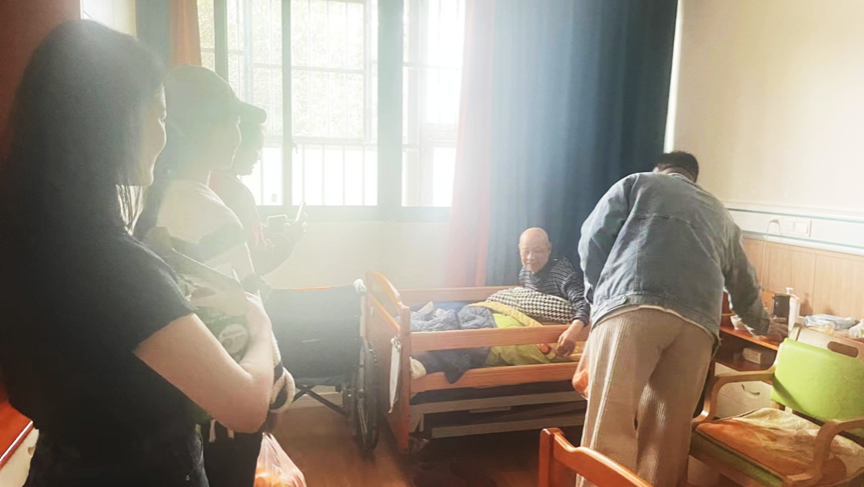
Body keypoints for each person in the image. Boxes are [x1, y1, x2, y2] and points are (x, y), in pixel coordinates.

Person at [0, 21, 276, 487]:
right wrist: (260, 321)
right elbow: (246, 407)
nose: (164, 135)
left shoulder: (26, 242)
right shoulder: (114, 265)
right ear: (117, 122)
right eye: (160, 115)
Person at [134, 64, 292, 487]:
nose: (240, 134)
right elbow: (245, 308)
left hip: (185, 400)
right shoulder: (208, 211)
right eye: (233, 121)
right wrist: (277, 389)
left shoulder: (158, 200)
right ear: (202, 131)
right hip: (225, 409)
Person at [576, 151, 770, 487]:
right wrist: (761, 326)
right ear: (693, 178)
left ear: (660, 170)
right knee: (667, 433)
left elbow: (592, 238)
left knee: (610, 422)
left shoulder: (638, 183)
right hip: (697, 325)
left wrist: (597, 292)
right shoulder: (720, 212)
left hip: (634, 305)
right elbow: (743, 280)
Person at [209, 120, 304, 276]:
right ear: (236, 146)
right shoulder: (236, 192)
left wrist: (265, 231)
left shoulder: (210, 180)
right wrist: (291, 236)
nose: (259, 157)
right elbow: (259, 259)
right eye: (257, 148)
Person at [517, 228, 590, 356]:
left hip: (561, 335)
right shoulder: (524, 273)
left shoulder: (562, 274)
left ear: (548, 249)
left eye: (537, 251)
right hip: (535, 331)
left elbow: (585, 302)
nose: (530, 257)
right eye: (525, 251)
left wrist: (572, 332)